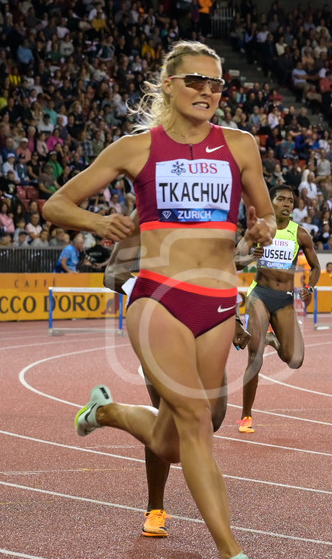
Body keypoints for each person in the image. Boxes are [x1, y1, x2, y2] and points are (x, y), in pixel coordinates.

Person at [42, 40, 275, 559]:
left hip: (218, 302)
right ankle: (233, 555)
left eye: (217, 84)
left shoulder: (241, 147)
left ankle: (108, 412)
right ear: (169, 83)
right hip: (159, 298)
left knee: (179, 437)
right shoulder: (138, 148)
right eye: (196, 80)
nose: (207, 92)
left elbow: (266, 220)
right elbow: (56, 205)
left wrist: (262, 232)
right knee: (196, 420)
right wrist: (102, 225)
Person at [101, 212, 249, 538]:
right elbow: (110, 274)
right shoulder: (146, 213)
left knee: (212, 419)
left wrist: (234, 320)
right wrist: (151, 292)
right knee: (170, 419)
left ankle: (107, 412)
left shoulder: (211, 217)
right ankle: (156, 509)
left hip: (203, 334)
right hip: (160, 336)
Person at [235, 184, 320, 433]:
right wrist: (251, 257)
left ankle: (271, 338)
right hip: (259, 295)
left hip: (284, 299)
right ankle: (246, 416)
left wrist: (310, 287)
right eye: (281, 199)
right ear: (271, 203)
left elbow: (315, 267)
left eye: (290, 201)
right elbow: (235, 259)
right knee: (255, 356)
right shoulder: (260, 230)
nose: (286, 204)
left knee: (294, 359)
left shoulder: (300, 234)